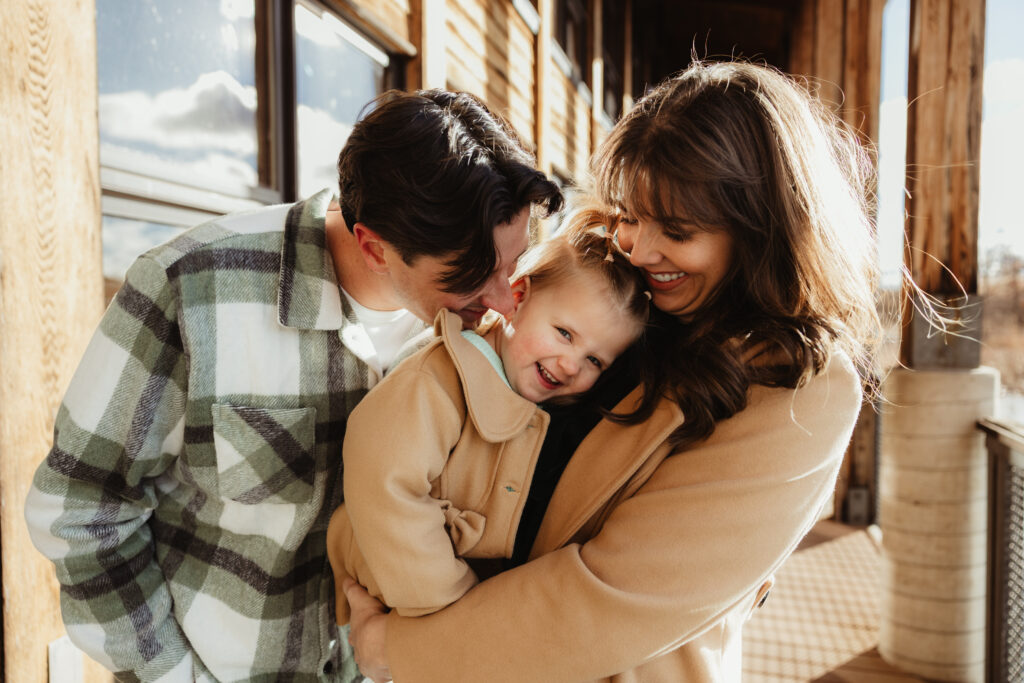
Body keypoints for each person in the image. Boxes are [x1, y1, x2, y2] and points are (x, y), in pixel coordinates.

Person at [342, 59, 882, 682]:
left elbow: (609, 595)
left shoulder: (801, 390)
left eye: (676, 230)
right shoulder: (616, 286)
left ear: (761, 228)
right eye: (629, 214)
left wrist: (403, 650)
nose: (642, 249)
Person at [24, 88, 562, 682]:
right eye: (469, 279)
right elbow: (81, 507)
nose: (504, 300)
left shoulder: (499, 330)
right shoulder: (190, 289)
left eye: (514, 262)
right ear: (373, 247)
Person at [327, 208, 649, 630]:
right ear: (517, 299)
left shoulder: (540, 410)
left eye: (594, 360)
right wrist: (454, 611)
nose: (571, 365)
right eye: (564, 334)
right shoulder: (439, 380)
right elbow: (385, 487)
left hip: (456, 605)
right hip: (402, 576)